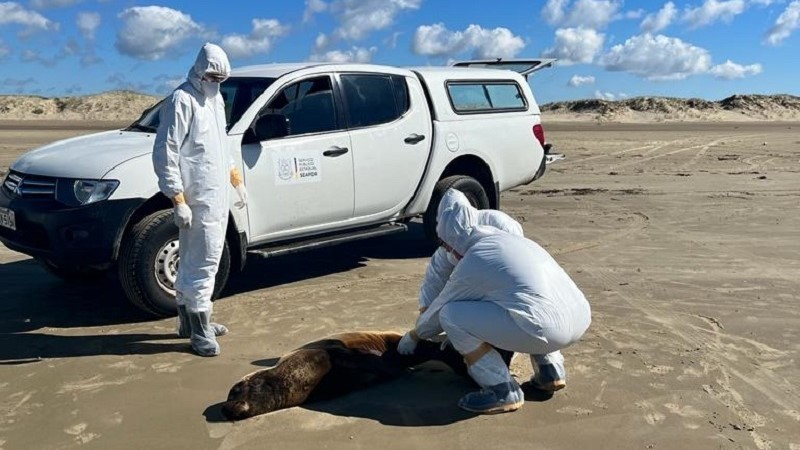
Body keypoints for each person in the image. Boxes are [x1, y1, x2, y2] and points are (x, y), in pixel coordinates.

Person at [398, 189, 591, 414]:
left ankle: (501, 389)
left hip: (545, 330)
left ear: (453, 240)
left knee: (451, 315)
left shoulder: (476, 258)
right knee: (523, 301)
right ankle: (551, 370)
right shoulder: (512, 241)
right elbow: (435, 280)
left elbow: (442, 308)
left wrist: (414, 335)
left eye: (449, 246)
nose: (448, 252)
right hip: (579, 318)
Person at [152, 43, 247, 357]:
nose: (214, 81)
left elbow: (221, 146)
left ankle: (188, 322)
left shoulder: (216, 99)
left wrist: (235, 178)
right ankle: (200, 330)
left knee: (202, 259)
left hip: (216, 195)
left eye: (220, 77)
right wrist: (177, 197)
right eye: (210, 75)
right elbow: (166, 152)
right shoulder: (182, 100)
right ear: (198, 69)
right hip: (197, 197)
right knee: (203, 264)